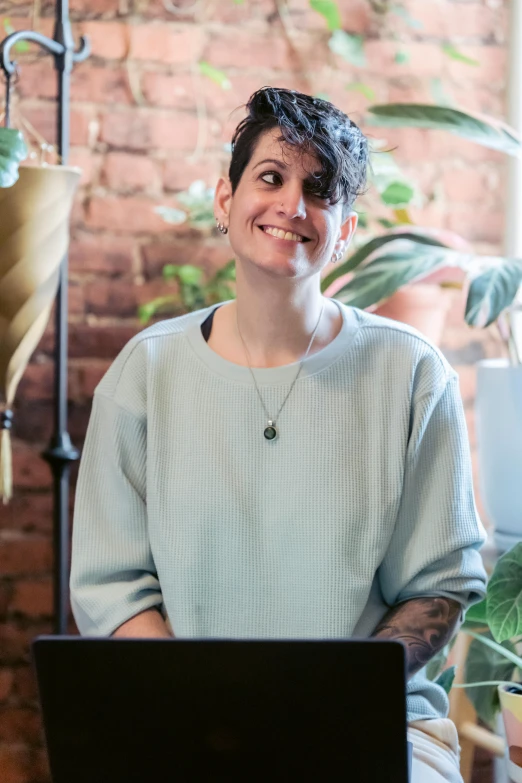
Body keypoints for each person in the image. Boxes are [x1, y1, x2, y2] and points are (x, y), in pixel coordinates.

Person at [70, 86, 487, 783]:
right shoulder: (145, 370)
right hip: (188, 717)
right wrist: (207, 705)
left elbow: (439, 585)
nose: (293, 205)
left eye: (319, 190)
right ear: (224, 199)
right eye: (271, 177)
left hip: (378, 719)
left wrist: (330, 698)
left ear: (346, 228)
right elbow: (113, 590)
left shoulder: (413, 373)